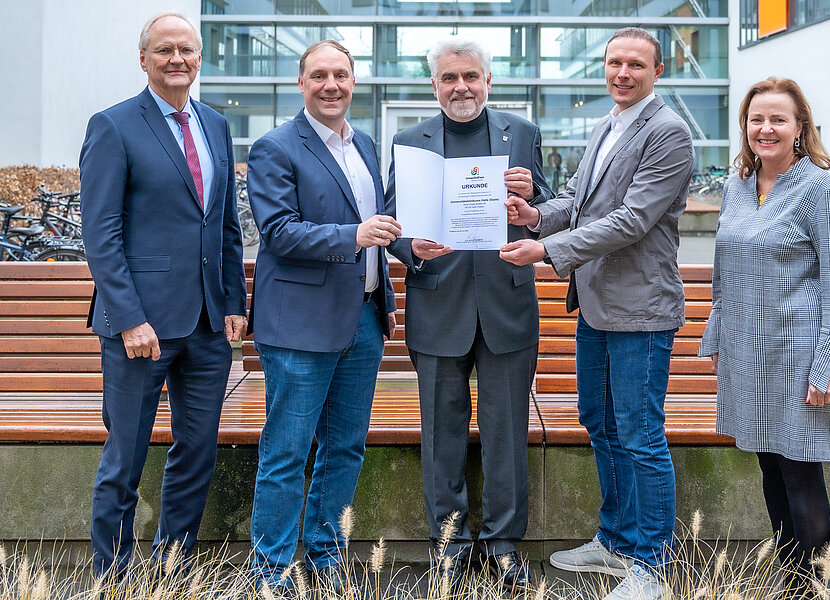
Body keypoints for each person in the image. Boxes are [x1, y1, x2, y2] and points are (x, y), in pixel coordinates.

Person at [501, 27, 694, 600]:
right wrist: (536, 216)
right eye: (614, 62)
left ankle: (652, 565)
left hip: (640, 311)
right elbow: (583, 204)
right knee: (602, 425)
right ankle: (616, 542)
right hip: (598, 306)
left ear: (658, 72)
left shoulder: (669, 133)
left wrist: (548, 250)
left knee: (640, 434)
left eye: (636, 64)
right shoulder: (608, 124)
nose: (622, 73)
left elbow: (633, 220)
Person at [79, 12, 247, 579]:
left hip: (205, 326)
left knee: (196, 454)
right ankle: (114, 578)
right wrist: (128, 318)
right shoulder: (114, 125)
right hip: (140, 327)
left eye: (187, 50)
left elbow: (223, 225)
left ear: (200, 57)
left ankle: (173, 571)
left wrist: (233, 302)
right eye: (164, 50)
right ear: (144, 59)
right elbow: (100, 234)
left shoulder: (216, 126)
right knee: (124, 459)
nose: (177, 59)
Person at [384, 37, 551, 593]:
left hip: (505, 306)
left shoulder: (521, 135)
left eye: (470, 77)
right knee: (441, 435)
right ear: (435, 86)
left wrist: (532, 197)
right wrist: (410, 249)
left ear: (487, 81)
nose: (461, 87)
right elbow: (391, 221)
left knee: (507, 435)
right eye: (449, 78)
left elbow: (545, 214)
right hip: (438, 305)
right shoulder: (411, 142)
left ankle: (504, 546)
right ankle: (449, 545)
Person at [246, 40, 400, 591]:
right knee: (286, 451)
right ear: (301, 83)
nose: (331, 84)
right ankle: (271, 569)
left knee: (345, 447)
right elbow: (279, 231)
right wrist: (354, 237)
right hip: (300, 326)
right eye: (319, 75)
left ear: (354, 81)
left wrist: (411, 246)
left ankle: (325, 553)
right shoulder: (274, 147)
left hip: (363, 318)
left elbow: (379, 226)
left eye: (340, 74)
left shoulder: (365, 145)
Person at [698, 77, 830, 597]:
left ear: (799, 128)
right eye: (756, 119)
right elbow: (723, 271)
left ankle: (812, 588)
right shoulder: (738, 187)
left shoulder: (820, 189)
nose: (765, 128)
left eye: (778, 119)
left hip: (799, 351)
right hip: (749, 352)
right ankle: (789, 583)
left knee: (800, 470)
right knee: (769, 461)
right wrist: (719, 341)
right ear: (745, 128)